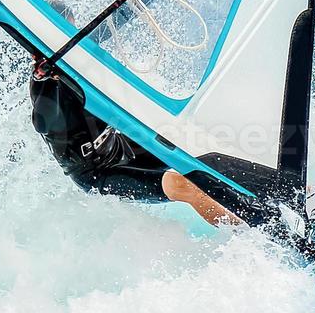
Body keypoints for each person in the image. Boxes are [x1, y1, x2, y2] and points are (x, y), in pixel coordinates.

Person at [29, 65, 241, 227]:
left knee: (195, 143)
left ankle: (251, 190)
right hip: (98, 174)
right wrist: (44, 75)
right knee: (183, 186)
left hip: (120, 146)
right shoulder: (48, 99)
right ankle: (250, 227)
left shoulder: (81, 65)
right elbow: (43, 117)